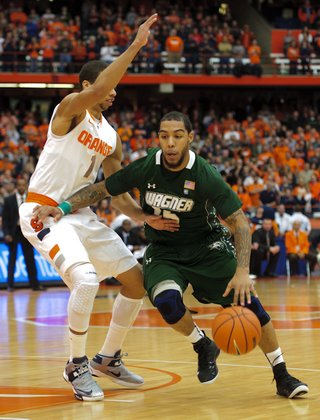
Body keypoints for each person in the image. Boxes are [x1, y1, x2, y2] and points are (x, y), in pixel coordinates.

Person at [35, 111, 309, 399]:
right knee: (166, 301)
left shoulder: (204, 174)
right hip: (165, 251)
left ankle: (282, 375)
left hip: (208, 248)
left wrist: (242, 272)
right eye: (165, 136)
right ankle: (202, 343)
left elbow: (240, 222)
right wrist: (63, 208)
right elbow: (103, 189)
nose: (170, 142)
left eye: (178, 136)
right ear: (159, 139)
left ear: (190, 138)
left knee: (250, 305)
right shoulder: (146, 167)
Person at [19, 14, 177, 403]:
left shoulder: (111, 136)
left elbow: (116, 191)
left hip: (80, 215)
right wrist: (137, 44)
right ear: (89, 85)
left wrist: (144, 216)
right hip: (44, 211)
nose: (114, 92)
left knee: (137, 280)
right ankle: (76, 364)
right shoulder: (69, 108)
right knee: (87, 281)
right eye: (107, 85)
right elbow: (105, 83)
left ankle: (108, 357)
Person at [2, 179, 45, 292]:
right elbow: (5, 220)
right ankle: (10, 285)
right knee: (12, 259)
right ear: (16, 186)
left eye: (23, 185)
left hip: (27, 232)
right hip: (14, 232)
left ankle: (35, 284)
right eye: (19, 185)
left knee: (30, 258)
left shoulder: (31, 201)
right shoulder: (8, 200)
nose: (21, 187)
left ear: (26, 186)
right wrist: (6, 233)